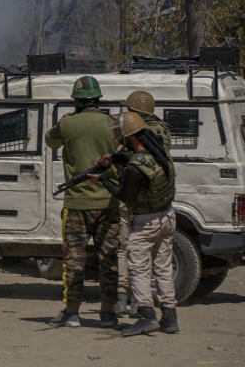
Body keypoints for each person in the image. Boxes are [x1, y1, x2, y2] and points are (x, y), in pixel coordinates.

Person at [91, 111, 179, 336]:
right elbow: (136, 157)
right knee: (163, 268)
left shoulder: (134, 168)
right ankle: (169, 317)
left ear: (128, 136)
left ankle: (146, 316)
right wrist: (115, 157)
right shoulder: (161, 153)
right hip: (167, 217)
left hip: (145, 222)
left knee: (138, 270)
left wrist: (104, 179)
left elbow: (126, 196)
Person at [44, 75, 120, 328]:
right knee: (107, 259)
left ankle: (73, 312)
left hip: (77, 203)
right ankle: (108, 312)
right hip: (108, 202)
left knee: (74, 260)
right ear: (98, 99)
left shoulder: (68, 124)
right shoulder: (113, 124)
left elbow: (49, 140)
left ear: (76, 101)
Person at [115, 91, 172, 316]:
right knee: (160, 259)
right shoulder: (163, 130)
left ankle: (123, 298)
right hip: (159, 195)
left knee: (125, 246)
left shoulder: (132, 129)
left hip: (133, 192)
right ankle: (165, 312)